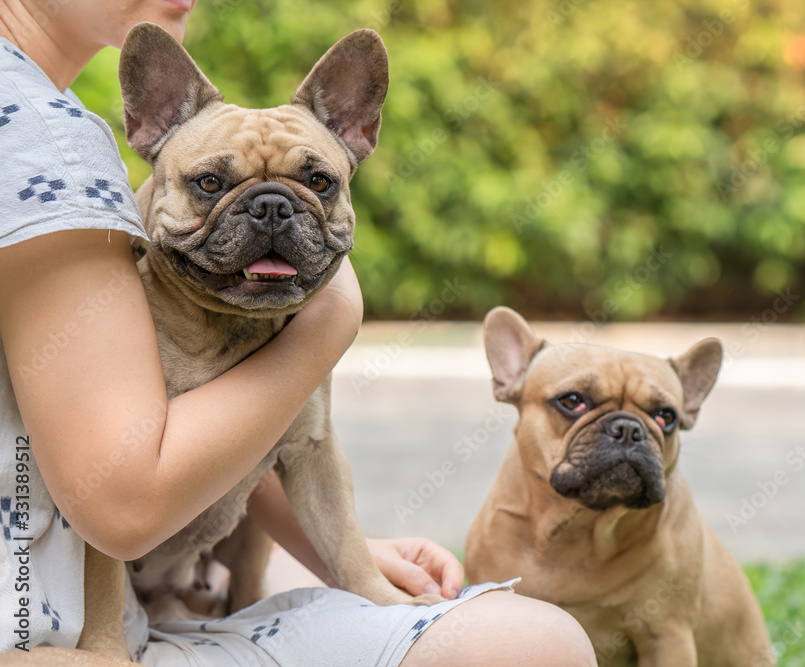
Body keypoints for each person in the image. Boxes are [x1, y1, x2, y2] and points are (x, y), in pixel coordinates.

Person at [0, 1, 598, 664]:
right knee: (534, 641)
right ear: (148, 128)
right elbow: (120, 496)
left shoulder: (49, 117)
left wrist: (351, 560)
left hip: (164, 575)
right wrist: (330, 320)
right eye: (208, 186)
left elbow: (278, 444)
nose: (273, 219)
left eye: (314, 182)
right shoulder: (44, 139)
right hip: (52, 618)